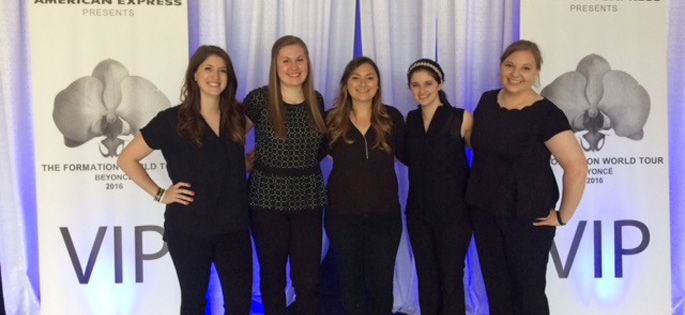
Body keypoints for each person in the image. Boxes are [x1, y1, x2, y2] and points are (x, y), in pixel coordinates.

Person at [117, 45, 252, 314]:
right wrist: (160, 193)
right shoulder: (171, 120)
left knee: (239, 305)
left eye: (223, 70)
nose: (216, 76)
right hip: (189, 230)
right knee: (193, 304)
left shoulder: (237, 117)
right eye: (208, 69)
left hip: (233, 228)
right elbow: (126, 159)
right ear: (194, 75)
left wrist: (244, 165)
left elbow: (223, 158)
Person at [466, 40, 588, 315]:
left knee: (528, 293)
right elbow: (480, 145)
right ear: (500, 66)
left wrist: (562, 215)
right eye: (509, 65)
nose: (515, 73)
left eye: (525, 68)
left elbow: (577, 167)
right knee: (497, 291)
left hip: (528, 219)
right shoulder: (487, 101)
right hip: (485, 212)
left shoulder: (546, 114)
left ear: (537, 73)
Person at [244, 35, 327, 315]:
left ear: (308, 63)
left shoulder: (316, 100)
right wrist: (243, 163)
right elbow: (228, 137)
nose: (294, 67)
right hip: (267, 199)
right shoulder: (259, 99)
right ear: (275, 65)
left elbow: (318, 148)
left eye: (300, 59)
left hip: (309, 198)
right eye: (286, 60)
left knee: (308, 279)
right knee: (272, 277)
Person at [324, 56, 405, 315]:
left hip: (385, 217)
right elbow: (305, 157)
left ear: (378, 84)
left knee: (381, 286)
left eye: (370, 77)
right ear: (346, 84)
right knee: (350, 284)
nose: (363, 84)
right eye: (356, 78)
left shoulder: (391, 118)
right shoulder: (331, 120)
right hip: (342, 217)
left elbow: (416, 155)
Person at [404, 58, 473, 315]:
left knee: (451, 277)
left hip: (455, 213)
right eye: (415, 85)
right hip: (419, 212)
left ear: (440, 83)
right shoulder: (409, 119)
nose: (422, 91)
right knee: (427, 277)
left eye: (428, 84)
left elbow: (486, 158)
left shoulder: (461, 118)